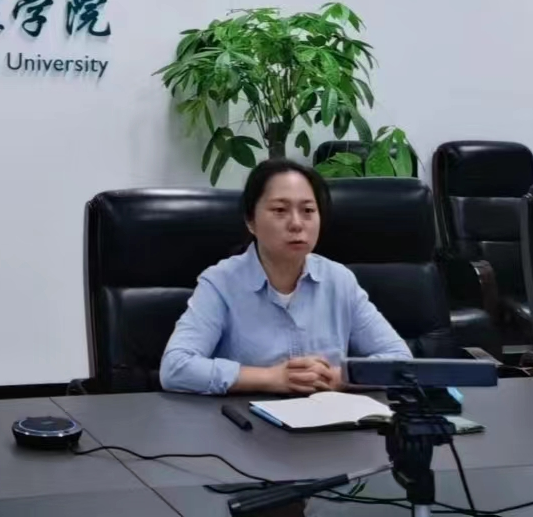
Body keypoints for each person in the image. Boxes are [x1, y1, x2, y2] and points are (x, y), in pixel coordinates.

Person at [160, 158, 411, 395]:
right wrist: (271, 378)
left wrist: (340, 377)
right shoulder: (221, 283)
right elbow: (175, 367)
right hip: (246, 420)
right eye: (280, 210)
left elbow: (400, 360)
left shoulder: (339, 281)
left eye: (308, 210)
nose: (297, 223)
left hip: (330, 420)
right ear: (250, 221)